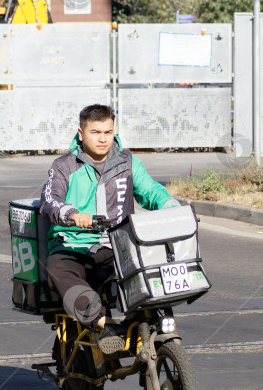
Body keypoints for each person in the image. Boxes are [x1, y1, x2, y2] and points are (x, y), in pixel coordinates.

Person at [39, 104, 179, 354]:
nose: (103, 138)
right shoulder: (64, 166)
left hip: (117, 244)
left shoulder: (127, 161)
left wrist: (169, 204)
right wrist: (70, 214)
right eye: (95, 132)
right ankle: (107, 324)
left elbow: (150, 190)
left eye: (108, 132)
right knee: (57, 270)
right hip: (74, 245)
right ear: (81, 133)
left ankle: (139, 321)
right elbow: (50, 199)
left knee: (149, 265)